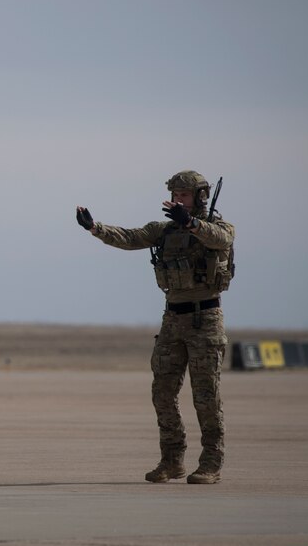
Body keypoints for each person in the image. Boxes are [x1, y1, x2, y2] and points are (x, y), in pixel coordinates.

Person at [76, 170, 235, 484]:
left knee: (206, 396)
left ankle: (210, 463)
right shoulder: (163, 231)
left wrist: (191, 223)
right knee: (162, 393)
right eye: (175, 195)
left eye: (184, 195)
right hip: (172, 319)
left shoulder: (218, 228)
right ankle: (172, 460)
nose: (177, 200)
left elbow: (221, 239)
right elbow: (131, 237)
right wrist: (95, 228)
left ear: (201, 197)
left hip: (205, 319)